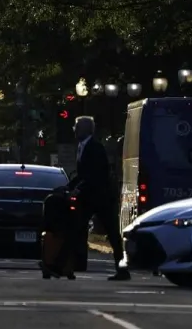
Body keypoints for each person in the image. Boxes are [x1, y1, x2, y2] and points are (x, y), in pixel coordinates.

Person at [70, 116, 128, 281]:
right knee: (78, 228)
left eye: (76, 127)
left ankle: (122, 269)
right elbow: (82, 174)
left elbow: (95, 174)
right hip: (89, 197)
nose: (74, 130)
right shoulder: (82, 146)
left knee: (113, 235)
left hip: (102, 197)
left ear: (85, 129)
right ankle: (76, 263)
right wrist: (68, 186)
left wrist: (78, 189)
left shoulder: (95, 148)